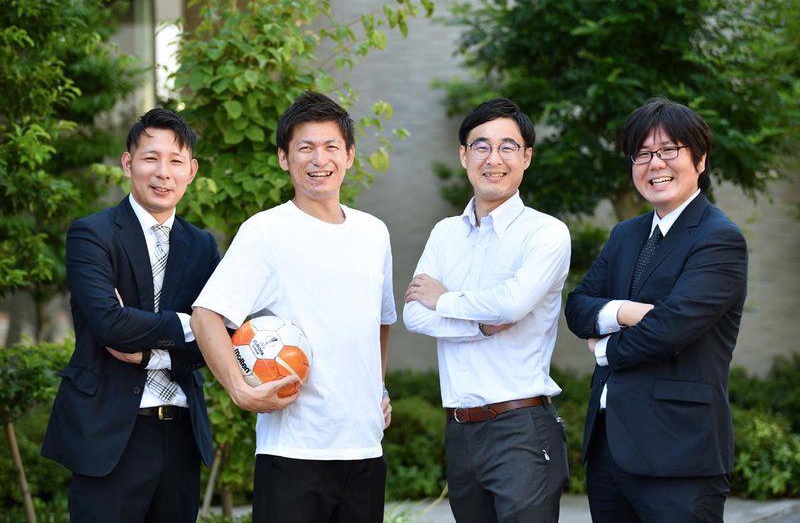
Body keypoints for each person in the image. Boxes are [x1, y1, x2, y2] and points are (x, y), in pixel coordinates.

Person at [191, 91, 396, 523]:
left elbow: (380, 321)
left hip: (364, 449)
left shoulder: (374, 233)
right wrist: (240, 390)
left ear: (349, 155)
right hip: (293, 453)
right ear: (284, 158)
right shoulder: (265, 232)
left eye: (331, 146)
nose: (319, 159)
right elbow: (206, 316)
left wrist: (378, 389)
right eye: (305, 147)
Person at [564, 97, 748, 522]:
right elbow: (577, 307)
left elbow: (670, 328)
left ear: (700, 158)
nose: (655, 164)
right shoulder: (625, 235)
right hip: (609, 450)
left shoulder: (719, 238)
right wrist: (625, 311)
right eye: (643, 153)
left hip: (679, 455)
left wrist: (603, 349)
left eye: (669, 150)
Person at [41, 108, 219, 522]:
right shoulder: (92, 234)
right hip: (109, 436)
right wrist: (191, 323)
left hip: (181, 434)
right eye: (150, 158)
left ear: (191, 171)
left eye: (175, 161)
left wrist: (149, 354)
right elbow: (109, 323)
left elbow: (220, 338)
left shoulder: (202, 246)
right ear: (128, 163)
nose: (163, 173)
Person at [403, 97, 571, 522]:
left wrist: (444, 299)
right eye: (481, 146)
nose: (493, 159)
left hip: (521, 429)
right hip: (460, 431)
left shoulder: (546, 233)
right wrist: (479, 324)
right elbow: (413, 315)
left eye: (507, 147)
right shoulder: (445, 234)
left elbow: (511, 303)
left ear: (526, 157)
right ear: (464, 156)